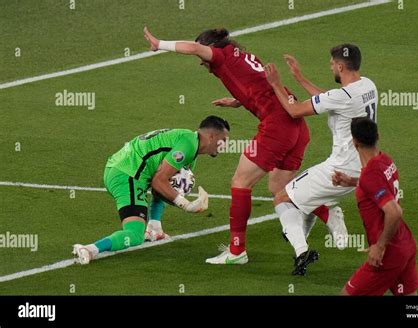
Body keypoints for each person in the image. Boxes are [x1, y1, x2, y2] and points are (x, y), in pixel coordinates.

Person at [143, 27, 341, 265]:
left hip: (277, 125)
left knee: (240, 183)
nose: (200, 62)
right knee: (280, 187)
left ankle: (237, 252)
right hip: (297, 126)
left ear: (211, 48)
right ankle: (326, 211)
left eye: (201, 57)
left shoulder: (221, 55)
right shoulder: (241, 55)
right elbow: (257, 83)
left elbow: (194, 47)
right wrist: (239, 101)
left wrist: (159, 43)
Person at [264, 44, 378, 275]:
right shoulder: (368, 85)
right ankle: (317, 224)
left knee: (282, 198)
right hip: (365, 168)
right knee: (302, 194)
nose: (331, 68)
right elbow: (328, 100)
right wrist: (300, 78)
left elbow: (294, 111)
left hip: (339, 171)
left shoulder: (343, 95)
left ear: (340, 65)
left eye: (331, 65)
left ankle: (302, 251)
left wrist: (276, 84)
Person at [72, 116, 230, 264]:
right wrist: (186, 205)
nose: (225, 145)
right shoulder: (188, 145)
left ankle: (154, 228)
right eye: (223, 140)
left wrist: (155, 221)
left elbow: (162, 186)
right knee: (134, 235)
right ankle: (89, 249)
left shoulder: (189, 146)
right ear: (210, 136)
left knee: (164, 186)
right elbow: (158, 182)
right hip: (126, 174)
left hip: (124, 168)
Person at [334, 117, 418, 296]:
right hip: (406, 244)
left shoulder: (370, 174)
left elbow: (394, 212)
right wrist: (351, 181)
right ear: (378, 135)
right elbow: (378, 187)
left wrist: (379, 246)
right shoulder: (385, 160)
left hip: (389, 254)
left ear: (355, 143)